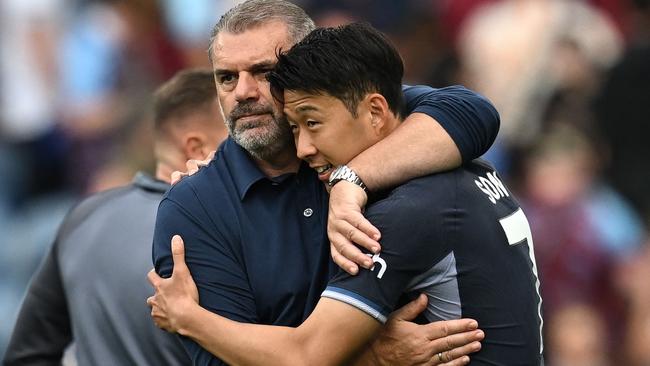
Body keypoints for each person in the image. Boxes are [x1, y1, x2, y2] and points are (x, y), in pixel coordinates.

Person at [148, 22, 543, 365]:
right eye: (226, 77)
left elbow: (305, 356)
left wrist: (189, 317)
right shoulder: (459, 163)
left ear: (375, 111)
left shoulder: (404, 206)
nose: (243, 92)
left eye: (264, 71)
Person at [2, 68, 227, 366]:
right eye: (238, 137)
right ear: (196, 147)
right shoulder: (216, 236)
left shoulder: (85, 217)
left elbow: (27, 355)